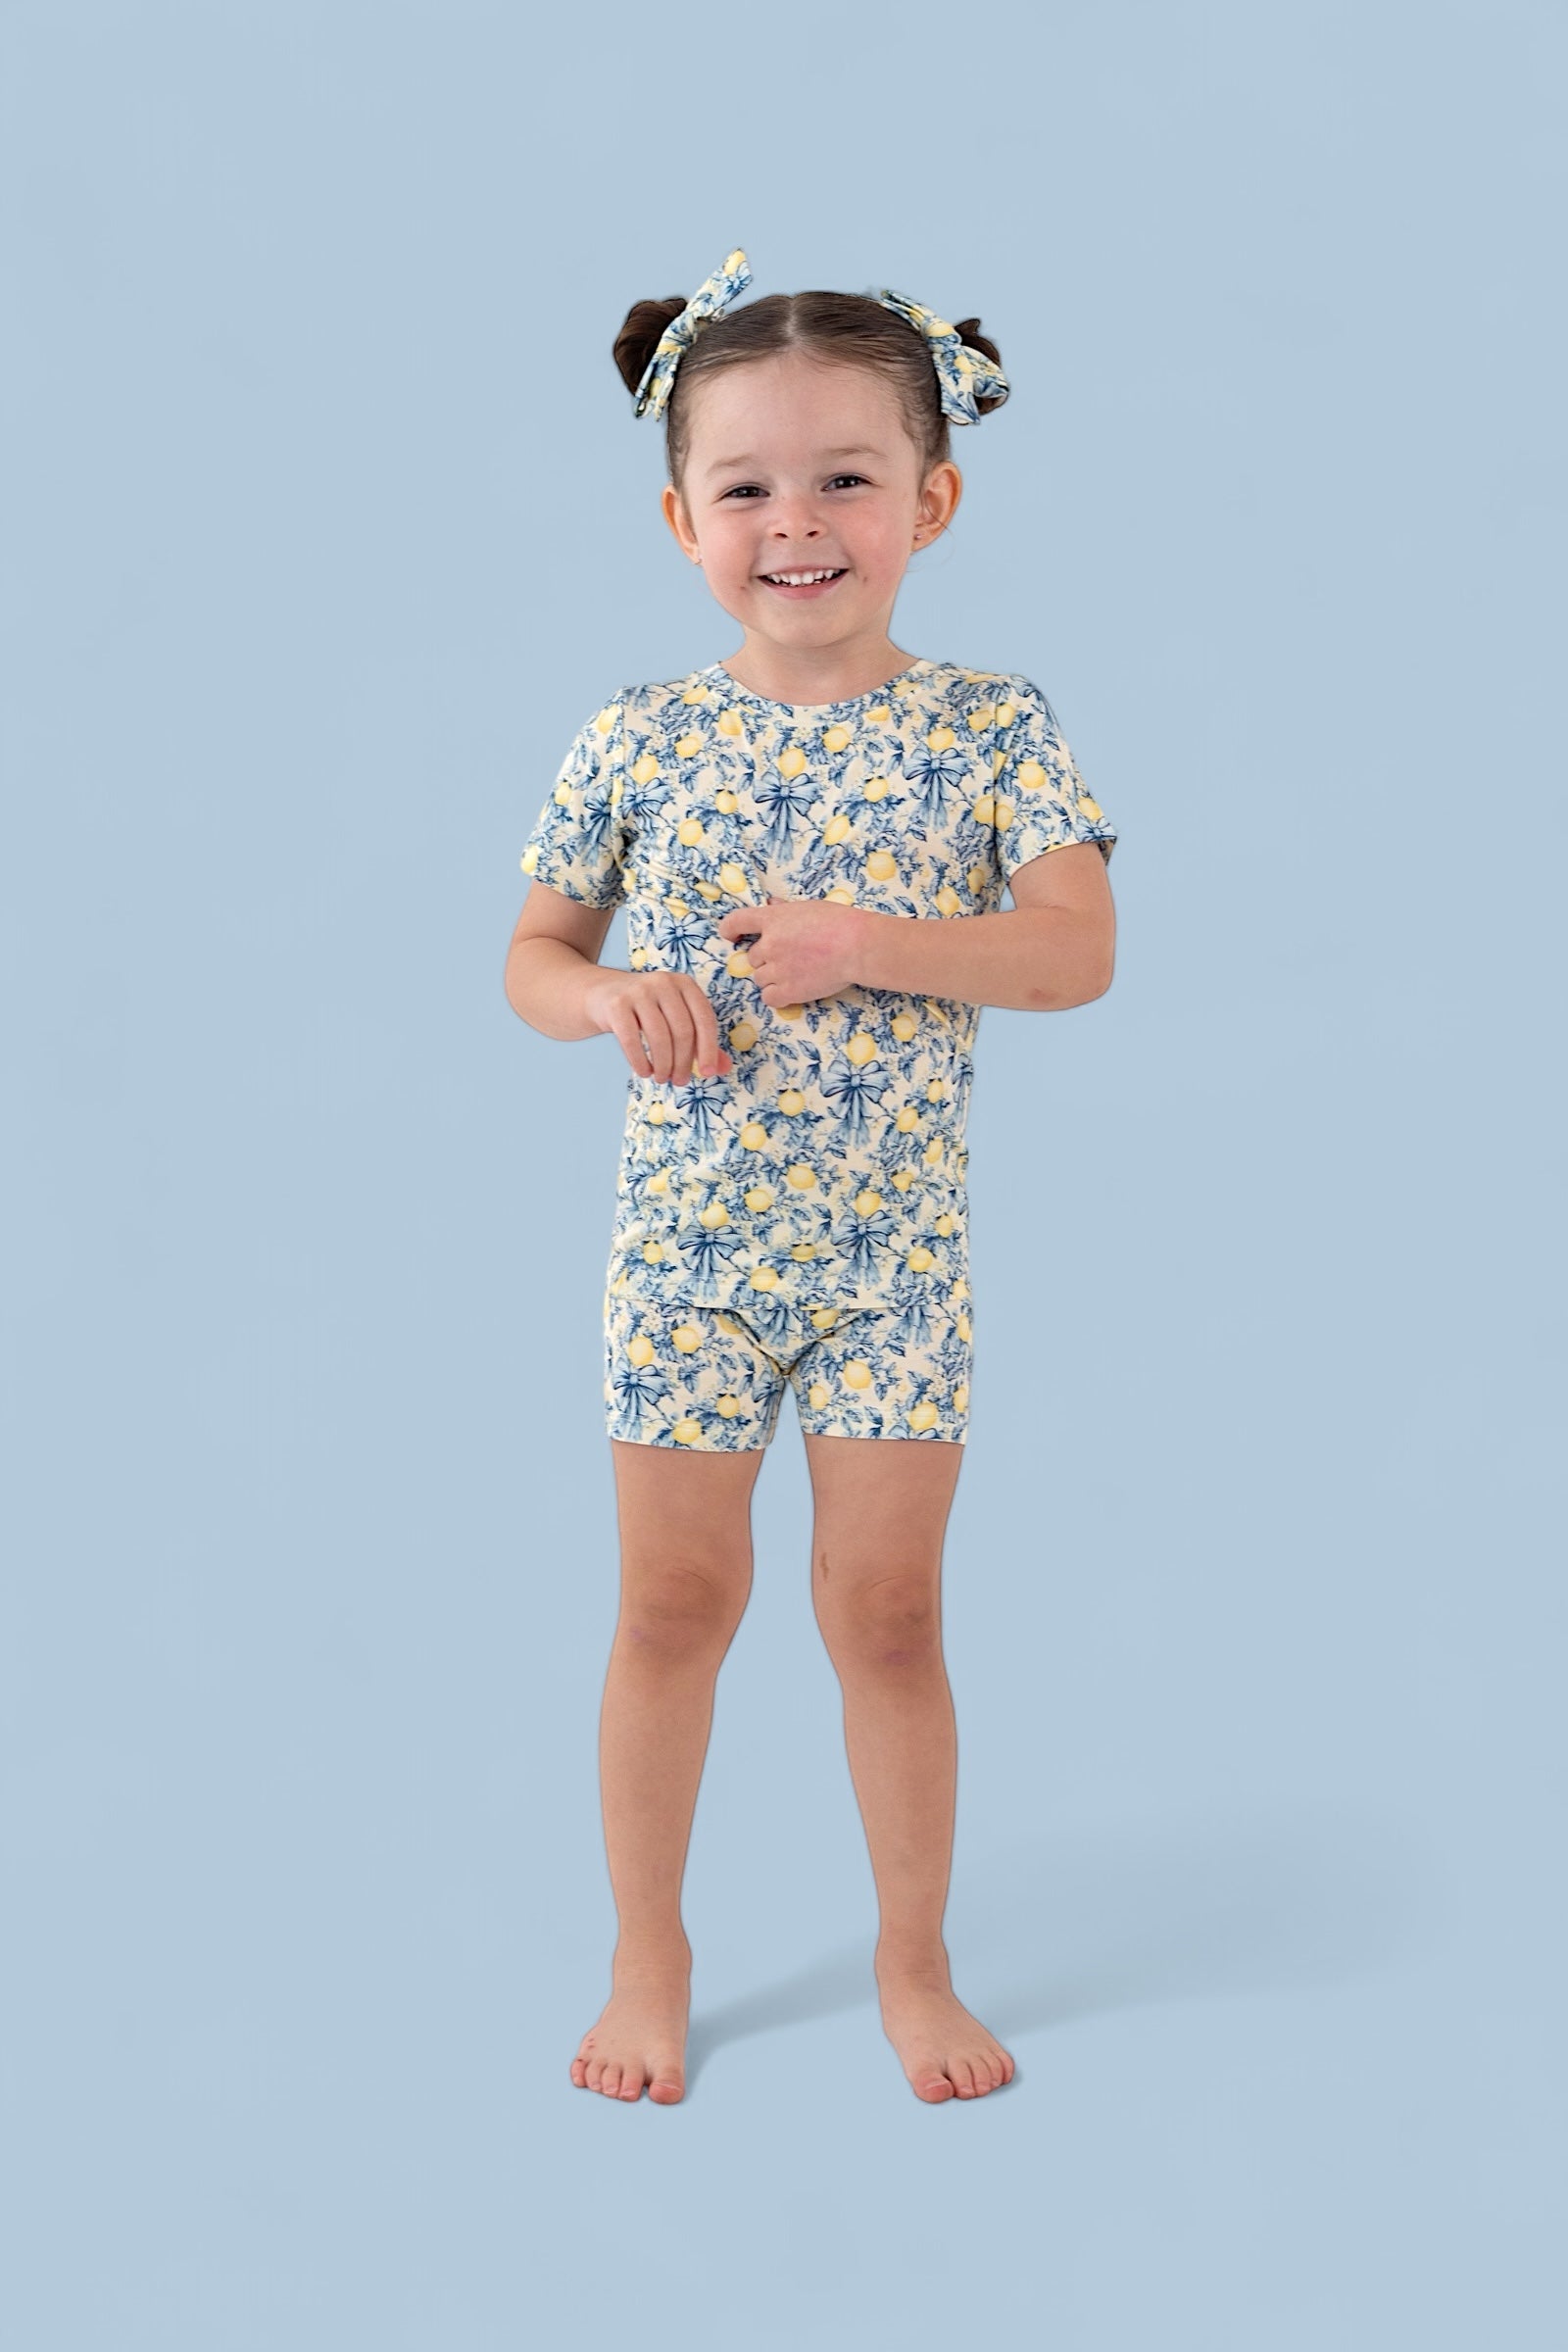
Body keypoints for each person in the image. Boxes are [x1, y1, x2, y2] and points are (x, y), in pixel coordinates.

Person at [504, 248, 1118, 2106]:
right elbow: (531, 958)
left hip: (892, 1270)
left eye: (846, 477)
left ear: (931, 501)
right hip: (684, 1265)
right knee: (671, 1609)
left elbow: (1075, 952)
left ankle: (912, 1964)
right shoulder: (637, 734)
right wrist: (606, 996)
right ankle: (649, 1954)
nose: (796, 522)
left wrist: (871, 943)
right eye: (748, 485)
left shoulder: (994, 725)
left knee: (890, 1618)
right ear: (680, 516)